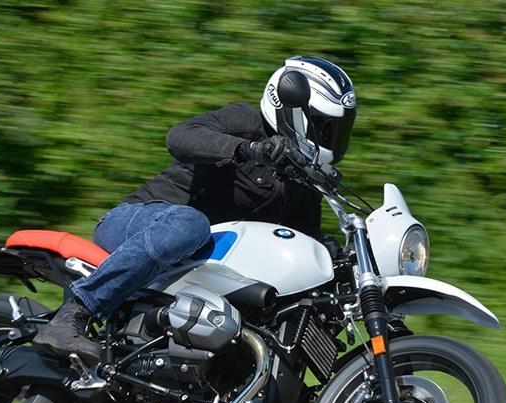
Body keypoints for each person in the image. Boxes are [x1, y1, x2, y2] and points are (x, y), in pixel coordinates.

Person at [33, 56, 357, 361]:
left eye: (337, 130)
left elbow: (304, 239)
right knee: (191, 224)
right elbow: (180, 136)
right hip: (138, 222)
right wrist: (248, 149)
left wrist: (338, 256)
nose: (331, 138)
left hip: (194, 264)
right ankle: (74, 315)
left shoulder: (299, 181)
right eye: (323, 126)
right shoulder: (247, 122)